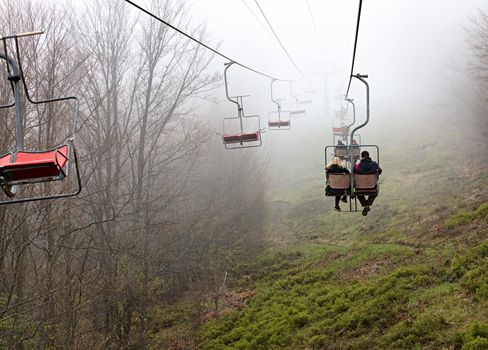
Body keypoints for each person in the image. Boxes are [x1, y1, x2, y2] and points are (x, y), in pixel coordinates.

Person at [355, 150, 382, 216]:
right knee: (374, 192)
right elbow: (380, 171)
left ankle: (365, 204)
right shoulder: (374, 164)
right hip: (371, 186)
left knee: (358, 193)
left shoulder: (357, 166)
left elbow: (353, 174)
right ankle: (367, 204)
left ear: (362, 156)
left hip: (360, 186)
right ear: (368, 155)